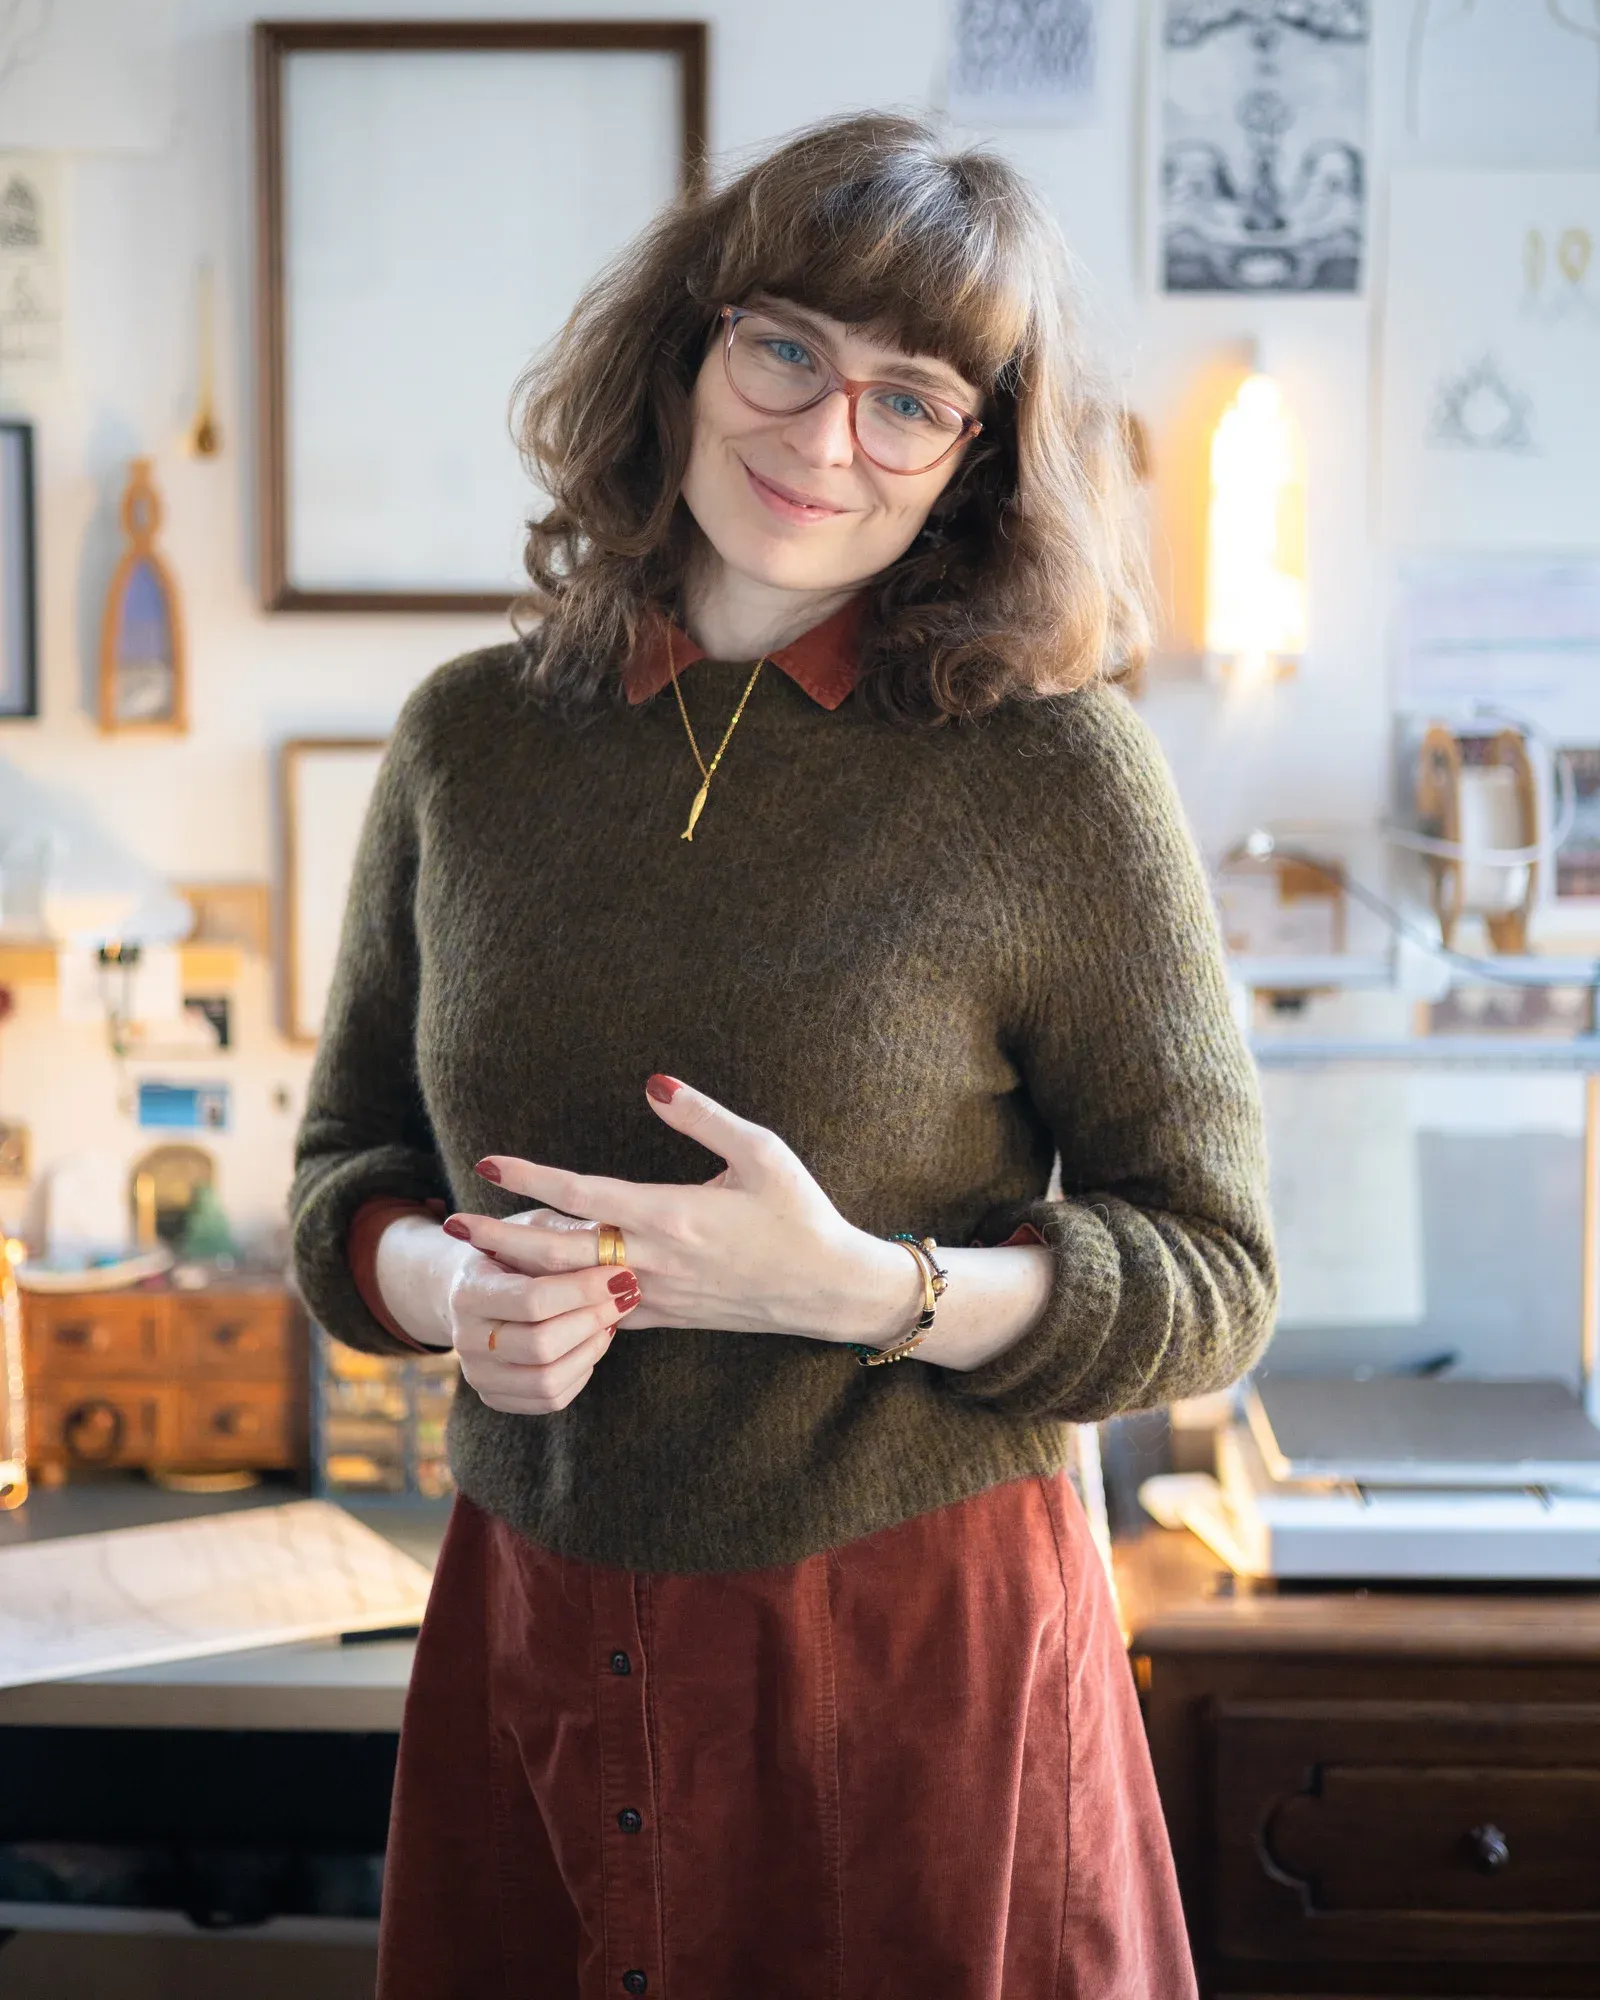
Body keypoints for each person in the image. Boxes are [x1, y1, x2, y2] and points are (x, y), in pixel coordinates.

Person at [290, 112, 1275, 2000]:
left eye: (912, 401)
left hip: (915, 1652)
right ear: (688, 345)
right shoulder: (470, 743)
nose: (829, 439)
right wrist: (435, 1289)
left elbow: (1217, 1280)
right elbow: (346, 1170)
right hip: (533, 1611)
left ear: (973, 461)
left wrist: (864, 1290)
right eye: (790, 351)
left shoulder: (1054, 772)